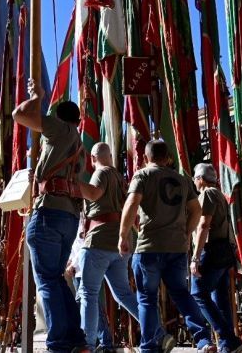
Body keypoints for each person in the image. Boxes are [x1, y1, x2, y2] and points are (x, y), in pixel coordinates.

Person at [13, 79, 88, 353]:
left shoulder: (60, 129)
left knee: (46, 280)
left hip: (49, 213)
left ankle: (58, 343)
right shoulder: (77, 141)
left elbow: (20, 115)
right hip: (67, 215)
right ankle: (75, 339)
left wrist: (37, 95)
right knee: (55, 279)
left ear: (58, 118)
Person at [119, 140, 215, 353]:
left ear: (146, 157)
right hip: (177, 248)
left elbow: (132, 203)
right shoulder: (182, 180)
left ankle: (149, 347)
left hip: (149, 247)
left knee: (146, 299)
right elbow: (196, 210)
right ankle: (203, 340)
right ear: (168, 157)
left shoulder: (142, 175)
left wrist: (123, 235)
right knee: (182, 293)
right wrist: (186, 232)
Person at [75, 142, 171, 353]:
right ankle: (158, 333)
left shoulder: (101, 174)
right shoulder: (120, 177)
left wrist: (72, 183)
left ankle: (87, 345)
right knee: (123, 295)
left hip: (98, 241)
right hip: (119, 243)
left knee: (88, 293)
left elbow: (94, 194)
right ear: (109, 155)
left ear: (92, 159)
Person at [189, 163, 242, 353]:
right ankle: (227, 345)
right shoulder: (219, 194)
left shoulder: (207, 194)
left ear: (200, 179)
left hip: (211, 250)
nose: (195, 182)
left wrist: (195, 257)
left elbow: (204, 225)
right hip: (223, 251)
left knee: (198, 293)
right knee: (220, 298)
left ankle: (230, 339)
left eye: (195, 179)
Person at [66, 225, 113, 351]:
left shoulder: (85, 219)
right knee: (85, 305)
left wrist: (73, 263)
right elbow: (75, 244)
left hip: (87, 267)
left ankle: (104, 343)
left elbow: (86, 244)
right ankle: (97, 342)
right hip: (78, 270)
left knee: (92, 305)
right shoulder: (75, 220)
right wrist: (70, 261)